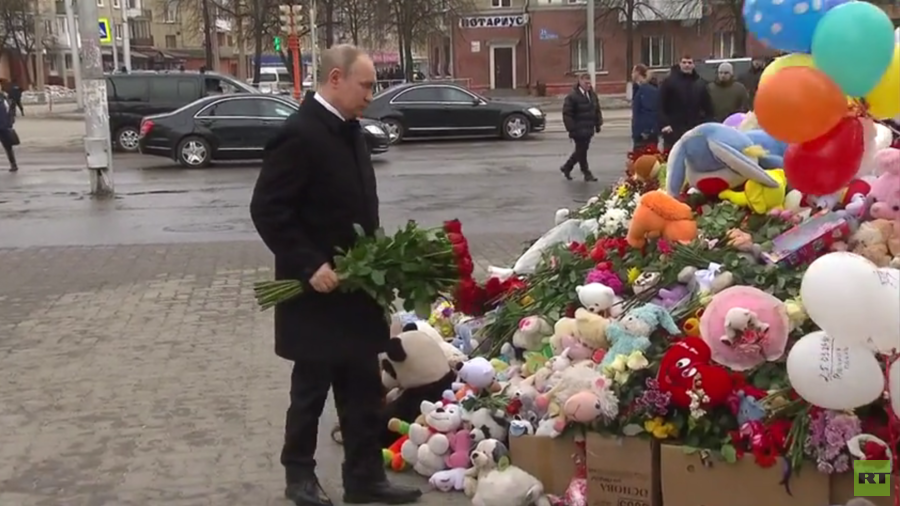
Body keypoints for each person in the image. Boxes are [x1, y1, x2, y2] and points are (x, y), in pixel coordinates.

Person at [249, 44, 422, 506]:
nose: (372, 93)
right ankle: (299, 477)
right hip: (315, 292)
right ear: (334, 80)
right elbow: (268, 210)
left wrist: (379, 262)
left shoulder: (351, 131)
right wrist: (310, 265)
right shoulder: (299, 134)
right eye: (365, 84)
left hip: (357, 289)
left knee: (363, 390)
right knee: (310, 390)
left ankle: (364, 479)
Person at [658, 54, 713, 150]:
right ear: (679, 64)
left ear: (693, 65)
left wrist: (706, 124)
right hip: (673, 129)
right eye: (684, 62)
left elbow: (708, 108)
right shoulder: (669, 82)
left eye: (689, 63)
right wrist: (665, 124)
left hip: (694, 129)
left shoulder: (700, 83)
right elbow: (661, 105)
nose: (687, 65)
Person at [560, 73, 602, 181]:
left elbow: (597, 110)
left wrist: (598, 124)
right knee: (581, 151)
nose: (588, 85)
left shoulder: (592, 95)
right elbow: (567, 114)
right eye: (586, 83)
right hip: (578, 129)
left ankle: (567, 167)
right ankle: (586, 173)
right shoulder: (573, 96)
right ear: (580, 82)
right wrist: (571, 129)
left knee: (581, 151)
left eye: (589, 82)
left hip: (588, 128)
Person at [630, 64, 661, 150]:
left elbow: (650, 111)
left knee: (645, 160)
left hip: (645, 135)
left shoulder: (647, 90)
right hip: (639, 133)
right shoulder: (639, 89)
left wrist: (647, 131)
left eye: (633, 72)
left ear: (638, 73)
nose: (631, 75)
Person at [0, 92, 18, 172]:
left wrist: (10, 122)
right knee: (8, 147)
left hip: (4, 126)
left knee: (8, 146)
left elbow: (11, 111)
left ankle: (13, 164)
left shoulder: (5, 99)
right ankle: (13, 164)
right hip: (4, 125)